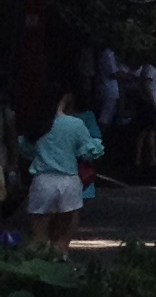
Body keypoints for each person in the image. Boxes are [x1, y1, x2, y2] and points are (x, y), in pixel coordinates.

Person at [22, 88, 104, 257]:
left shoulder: (38, 124)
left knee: (39, 236)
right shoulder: (74, 124)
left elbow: (25, 149)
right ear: (65, 98)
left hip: (42, 181)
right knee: (63, 236)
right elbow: (90, 151)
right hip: (69, 182)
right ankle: (60, 264)